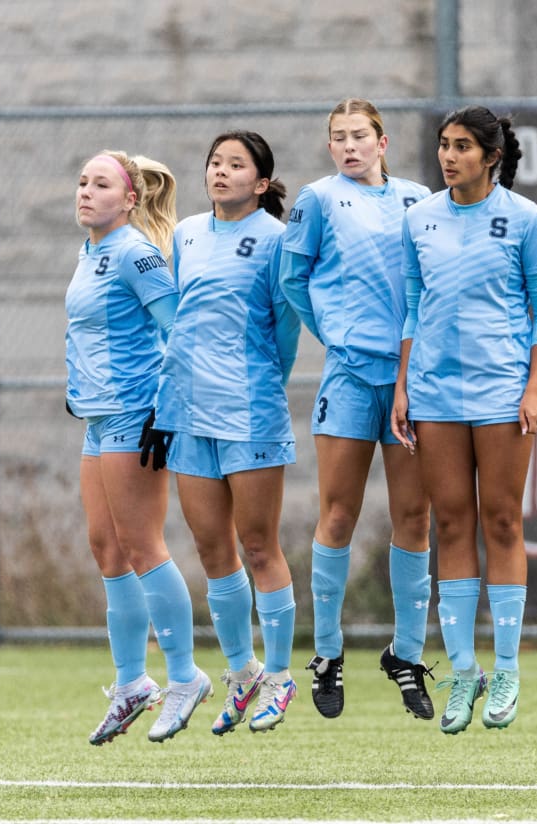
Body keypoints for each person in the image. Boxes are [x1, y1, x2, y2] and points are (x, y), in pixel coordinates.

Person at [391, 105, 537, 734]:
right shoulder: (420, 219)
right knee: (452, 522)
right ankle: (464, 671)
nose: (448, 155)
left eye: (462, 146)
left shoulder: (525, 220)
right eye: (443, 145)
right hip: (434, 393)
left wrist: (534, 387)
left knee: (502, 520)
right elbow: (412, 305)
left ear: (491, 156)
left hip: (501, 391)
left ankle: (508, 666)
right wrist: (404, 385)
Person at [279, 98, 436, 721]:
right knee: (338, 514)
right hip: (348, 378)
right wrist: (335, 333)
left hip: (409, 379)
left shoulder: (419, 199)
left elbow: (431, 279)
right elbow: (293, 279)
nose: (348, 146)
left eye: (358, 136)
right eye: (338, 138)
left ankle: (406, 654)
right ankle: (327, 653)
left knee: (414, 517)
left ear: (382, 141)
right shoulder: (318, 201)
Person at [143, 130, 301, 734]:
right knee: (213, 548)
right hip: (188, 413)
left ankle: (281, 678)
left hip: (249, 411)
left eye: (237, 165)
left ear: (261, 183)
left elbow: (285, 332)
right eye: (215, 162)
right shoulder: (185, 234)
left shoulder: (276, 241)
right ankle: (243, 673)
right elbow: (178, 326)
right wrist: (165, 405)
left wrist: (258, 387)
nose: (221, 172)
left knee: (258, 545)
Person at [65, 150, 211, 746]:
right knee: (107, 549)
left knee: (143, 545)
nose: (85, 191)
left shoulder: (137, 253)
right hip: (97, 420)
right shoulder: (90, 251)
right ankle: (131, 684)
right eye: (81, 182)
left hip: (136, 414)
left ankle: (184, 676)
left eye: (101, 184)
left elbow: (179, 333)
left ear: (129, 200)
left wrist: (166, 411)